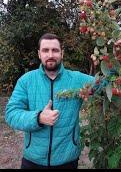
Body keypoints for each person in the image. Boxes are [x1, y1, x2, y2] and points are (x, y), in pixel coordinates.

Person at [5, 33, 94, 169]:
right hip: (33, 160)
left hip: (67, 160)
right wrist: (38, 117)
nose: (50, 54)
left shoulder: (77, 79)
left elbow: (104, 84)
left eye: (55, 50)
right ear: (39, 54)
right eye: (45, 50)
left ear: (62, 54)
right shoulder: (26, 81)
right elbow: (11, 114)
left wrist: (117, 58)